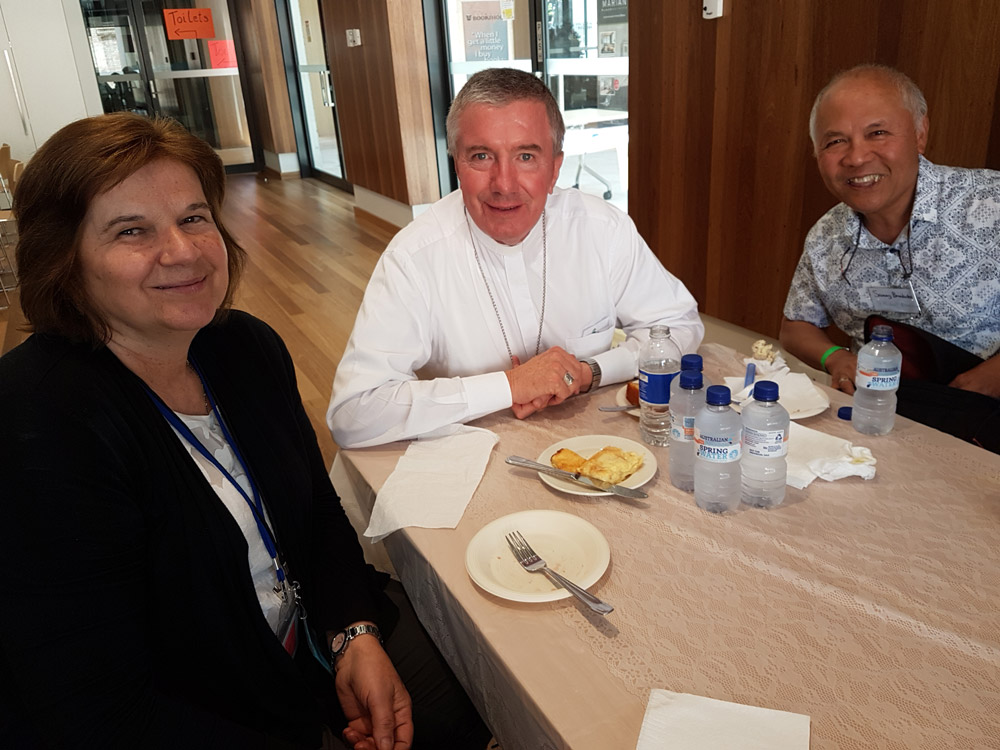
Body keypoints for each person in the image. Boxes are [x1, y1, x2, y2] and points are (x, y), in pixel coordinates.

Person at [0, 113, 490, 749]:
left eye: (193, 217)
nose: (181, 250)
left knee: (470, 681)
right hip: (195, 709)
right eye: (131, 231)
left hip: (304, 641)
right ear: (64, 258)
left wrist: (355, 633)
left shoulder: (244, 349)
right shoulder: (37, 420)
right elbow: (95, 709)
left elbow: (314, 513)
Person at [328, 67, 703, 449]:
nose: (504, 184)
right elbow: (353, 413)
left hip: (595, 445)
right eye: (481, 156)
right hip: (469, 459)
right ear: (457, 163)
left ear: (555, 168)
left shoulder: (601, 228)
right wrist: (509, 386)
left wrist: (590, 371)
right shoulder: (414, 257)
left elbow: (677, 323)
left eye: (526, 156)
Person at [780, 64, 1000, 449]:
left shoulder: (991, 206)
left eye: (877, 133)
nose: (856, 157)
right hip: (879, 419)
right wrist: (835, 357)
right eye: (835, 142)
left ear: (919, 134)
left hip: (985, 423)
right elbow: (795, 327)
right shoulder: (826, 237)